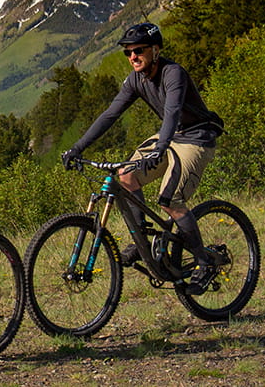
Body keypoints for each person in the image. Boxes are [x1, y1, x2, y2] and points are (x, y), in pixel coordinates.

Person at [60, 23, 225, 295]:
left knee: (170, 199)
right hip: (169, 137)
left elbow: (172, 112)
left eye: (138, 51)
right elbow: (110, 115)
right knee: (125, 174)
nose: (133, 57)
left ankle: (204, 262)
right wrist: (77, 148)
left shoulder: (174, 73)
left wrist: (160, 148)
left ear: (155, 50)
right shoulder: (135, 79)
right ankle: (141, 243)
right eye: (128, 53)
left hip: (196, 137)